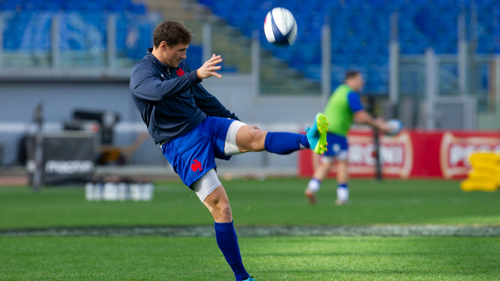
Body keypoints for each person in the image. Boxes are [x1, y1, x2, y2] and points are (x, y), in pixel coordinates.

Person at [129, 20, 328, 281]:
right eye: (181, 50)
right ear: (163, 46)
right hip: (180, 144)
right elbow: (156, 93)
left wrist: (235, 120)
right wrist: (196, 75)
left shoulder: (180, 66)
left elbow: (203, 99)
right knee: (222, 208)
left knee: (254, 136)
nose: (185, 56)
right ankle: (242, 277)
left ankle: (308, 140)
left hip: (205, 124)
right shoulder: (142, 72)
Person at [305, 71, 392, 206]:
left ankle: (312, 188)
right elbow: (361, 115)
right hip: (335, 132)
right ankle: (342, 197)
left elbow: (356, 118)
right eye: (359, 79)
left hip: (326, 129)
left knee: (327, 163)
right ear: (351, 79)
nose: (362, 82)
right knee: (342, 163)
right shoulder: (350, 94)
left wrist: (375, 123)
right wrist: (378, 125)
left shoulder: (340, 91)